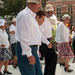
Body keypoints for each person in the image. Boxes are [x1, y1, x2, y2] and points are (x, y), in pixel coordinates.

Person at [15, 0, 52, 75]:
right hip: (27, 50)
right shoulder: (24, 15)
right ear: (31, 4)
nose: (39, 6)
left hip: (32, 50)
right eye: (38, 4)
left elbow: (36, 35)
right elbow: (24, 37)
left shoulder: (32, 16)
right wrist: (29, 54)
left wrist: (36, 50)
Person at [39, 4, 57, 75]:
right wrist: (47, 42)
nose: (52, 14)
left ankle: (47, 73)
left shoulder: (48, 20)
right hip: (43, 41)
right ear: (47, 12)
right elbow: (40, 33)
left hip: (47, 40)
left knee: (49, 57)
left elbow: (47, 30)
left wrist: (50, 36)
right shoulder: (43, 20)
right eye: (51, 12)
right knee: (54, 56)